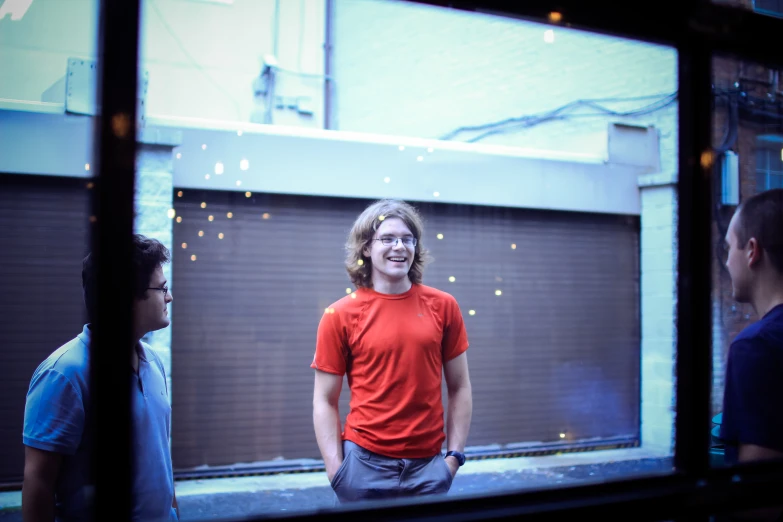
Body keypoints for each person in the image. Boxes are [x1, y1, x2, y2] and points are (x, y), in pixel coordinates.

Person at [311, 199, 473, 503]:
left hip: (430, 469)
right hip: (362, 467)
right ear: (366, 248)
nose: (400, 246)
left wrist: (453, 459)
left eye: (407, 239)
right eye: (387, 238)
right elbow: (324, 399)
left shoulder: (443, 306)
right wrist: (337, 472)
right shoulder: (339, 315)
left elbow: (460, 386)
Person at [22, 234, 179, 522]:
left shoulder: (153, 362)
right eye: (162, 288)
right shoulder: (63, 374)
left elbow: (159, 458)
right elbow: (39, 483)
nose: (169, 297)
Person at [720, 188, 783, 521]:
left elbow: (760, 500)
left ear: (752, 251)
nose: (727, 261)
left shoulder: (756, 347)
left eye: (730, 248)